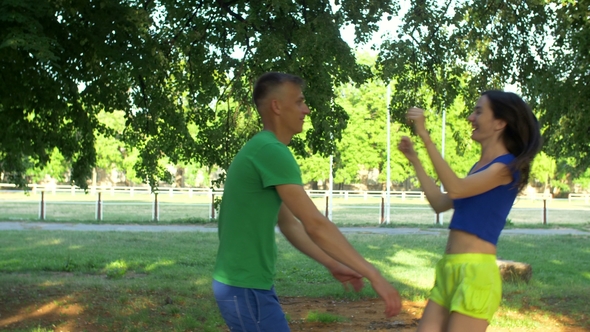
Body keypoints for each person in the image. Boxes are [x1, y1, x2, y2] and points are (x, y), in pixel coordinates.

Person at [212, 72, 402, 331]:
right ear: (277, 106)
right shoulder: (271, 151)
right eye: (300, 102)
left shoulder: (263, 148)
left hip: (245, 284)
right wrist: (373, 274)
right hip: (245, 288)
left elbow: (290, 224)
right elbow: (315, 223)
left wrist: (333, 263)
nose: (307, 109)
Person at [398, 90, 542, 332]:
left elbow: (455, 188)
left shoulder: (506, 168)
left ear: (500, 122)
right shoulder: (479, 169)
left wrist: (425, 136)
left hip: (476, 272)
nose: (470, 117)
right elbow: (440, 203)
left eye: (478, 111)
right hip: (449, 268)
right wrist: (415, 160)